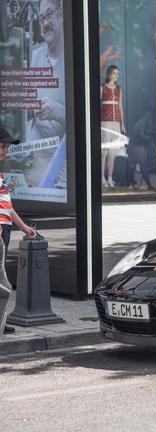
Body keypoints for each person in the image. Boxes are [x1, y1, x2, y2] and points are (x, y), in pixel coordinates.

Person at [0, 128, 37, 334]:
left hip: (4, 228)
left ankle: (1, 321)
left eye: (7, 147)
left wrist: (22, 226)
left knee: (0, 277)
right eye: (3, 146)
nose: (6, 151)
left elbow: (6, 204)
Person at [27, 0, 65, 143]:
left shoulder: (74, 60)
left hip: (63, 157)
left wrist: (57, 111)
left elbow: (85, 118)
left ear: (60, 14)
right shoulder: (36, 56)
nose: (46, 23)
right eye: (42, 18)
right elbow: (28, 109)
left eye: (49, 14)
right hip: (34, 149)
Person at [100, 65, 126, 187]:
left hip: (116, 122)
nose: (116, 75)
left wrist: (122, 124)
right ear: (109, 74)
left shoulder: (118, 89)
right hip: (105, 121)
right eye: (114, 73)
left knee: (112, 151)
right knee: (104, 150)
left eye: (118, 73)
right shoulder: (102, 87)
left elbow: (120, 106)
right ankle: (101, 177)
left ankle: (109, 178)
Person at [128, 111, 156, 192]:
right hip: (136, 145)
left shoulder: (148, 122)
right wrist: (149, 140)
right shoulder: (142, 121)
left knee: (145, 163)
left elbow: (148, 133)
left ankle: (148, 184)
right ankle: (149, 185)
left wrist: (150, 126)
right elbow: (142, 134)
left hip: (140, 146)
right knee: (143, 165)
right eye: (148, 116)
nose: (149, 117)